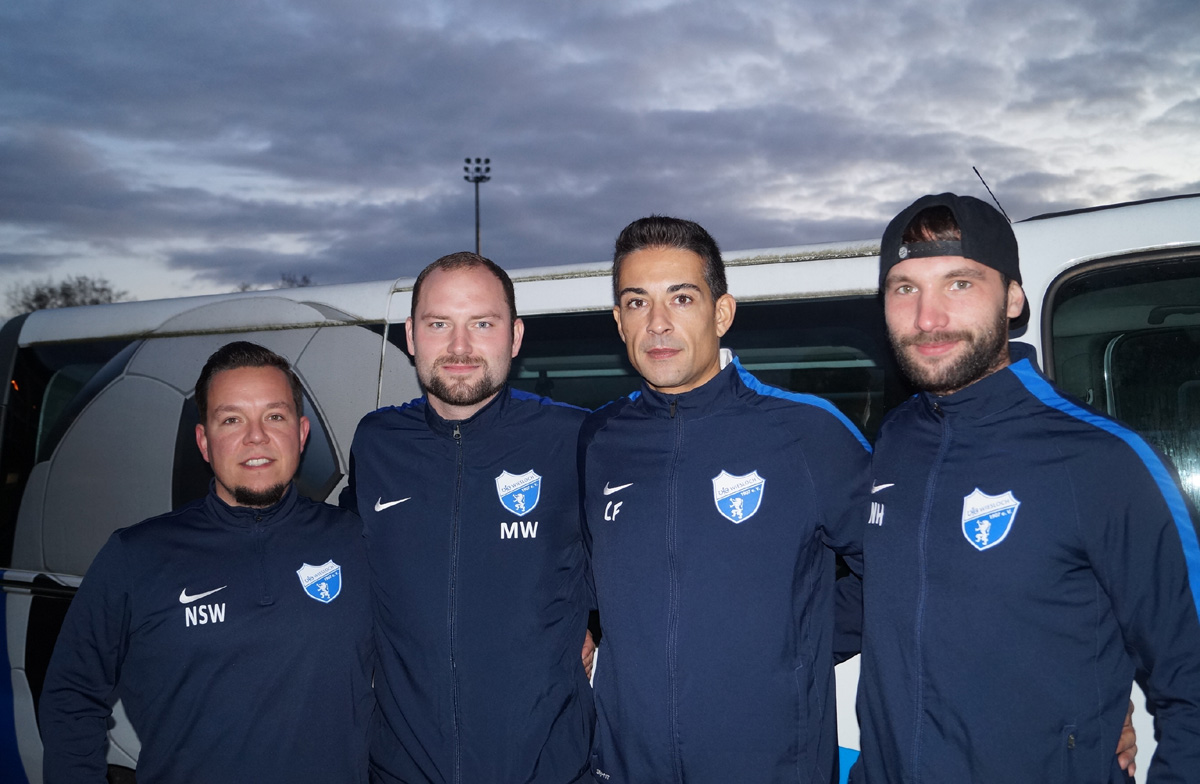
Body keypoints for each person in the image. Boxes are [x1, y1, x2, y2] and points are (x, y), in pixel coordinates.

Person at [853, 193, 1200, 782]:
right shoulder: (896, 439)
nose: (927, 318)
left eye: (959, 284)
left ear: (1013, 299)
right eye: (905, 288)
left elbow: (1189, 675)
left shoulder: (1102, 459)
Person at [579, 216, 873, 782]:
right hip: (625, 767)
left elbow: (894, 569)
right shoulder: (600, 439)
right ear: (619, 322)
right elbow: (582, 579)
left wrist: (794, 642)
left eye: (681, 298)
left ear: (721, 312)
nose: (658, 324)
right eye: (637, 303)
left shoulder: (807, 435)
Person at [40, 342, 373, 783]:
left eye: (275, 416)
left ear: (301, 433)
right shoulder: (136, 556)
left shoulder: (358, 542)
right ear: (204, 442)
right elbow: (71, 696)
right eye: (232, 419)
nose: (256, 437)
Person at [339, 252, 595, 783]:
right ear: (411, 336)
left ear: (515, 336)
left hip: (545, 770)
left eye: (482, 323)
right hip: (401, 771)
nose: (460, 347)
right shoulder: (377, 443)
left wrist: (592, 626)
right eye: (439, 324)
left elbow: (630, 564)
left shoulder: (575, 439)